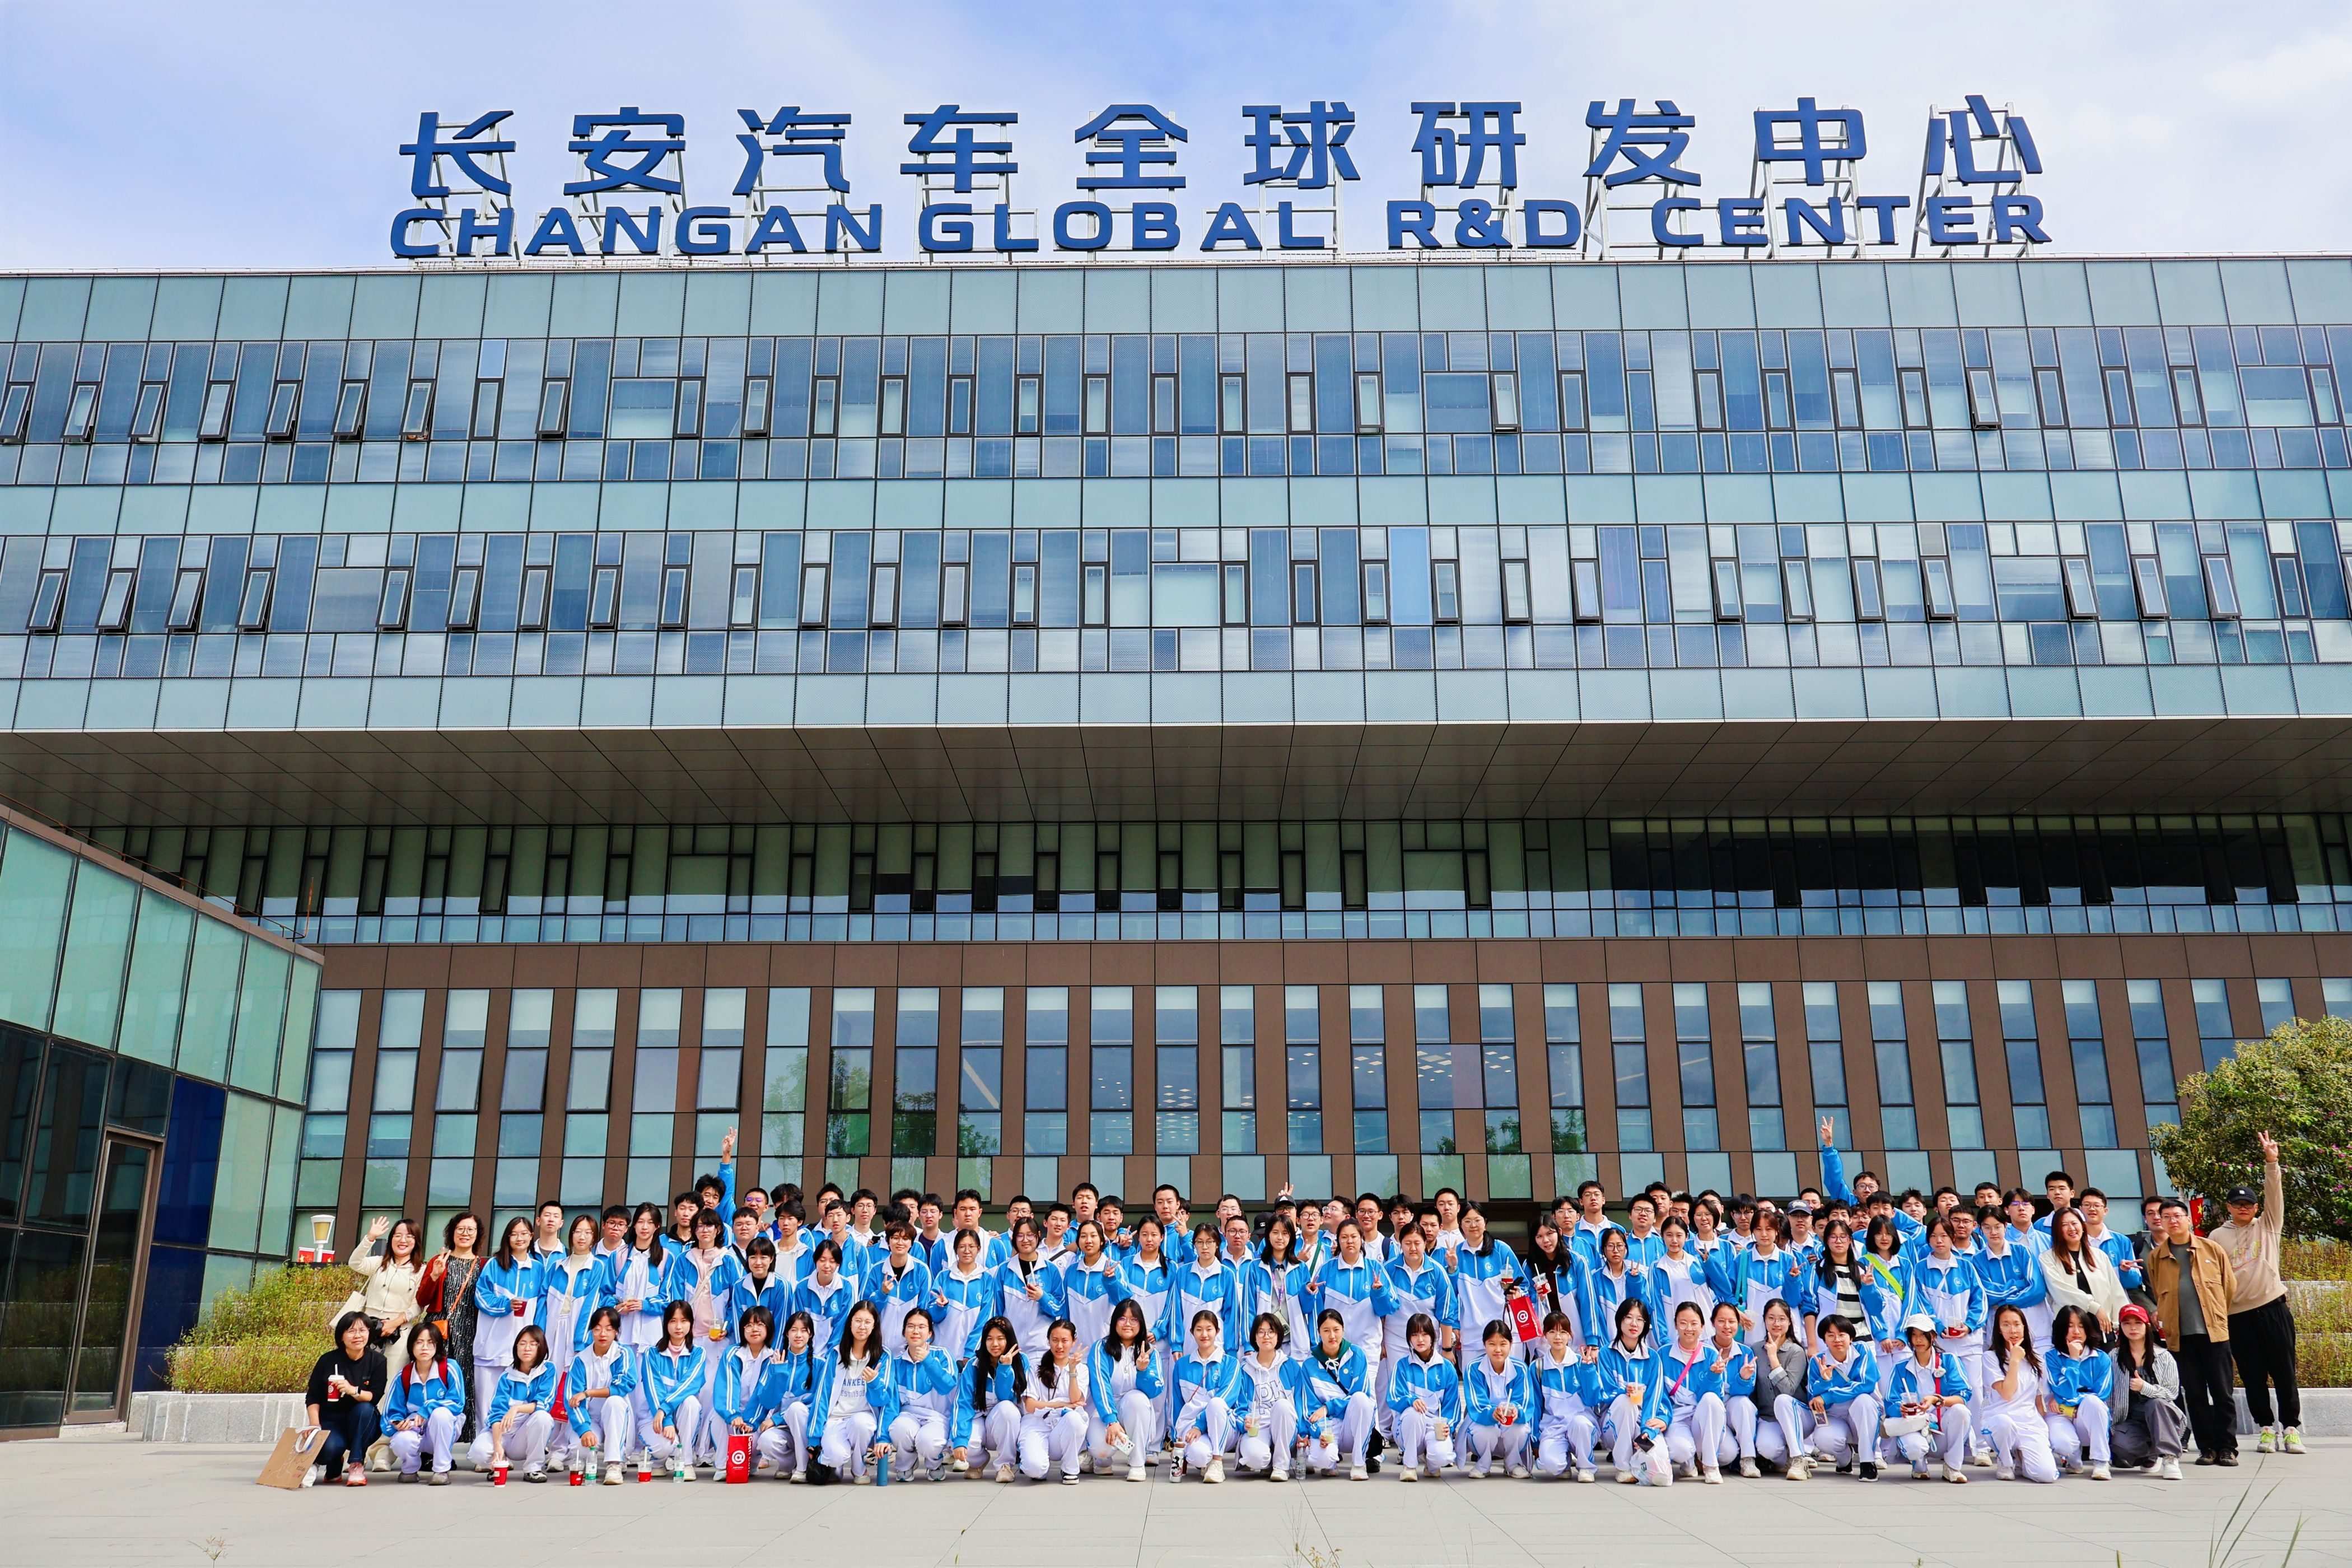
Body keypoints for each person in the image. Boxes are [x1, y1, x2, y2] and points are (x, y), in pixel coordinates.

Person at [2213, 1130, 2303, 1455]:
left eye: (2249, 1204)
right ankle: (2266, 1428)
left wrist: (2271, 1162)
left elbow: (2275, 1193)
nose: (2244, 1209)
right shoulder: (2216, 1237)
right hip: (2238, 1316)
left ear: (2256, 1207)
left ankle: (2291, 1429)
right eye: (2238, 1204)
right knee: (2252, 1376)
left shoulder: (2268, 1226)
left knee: (2285, 1372)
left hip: (2273, 1308)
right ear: (2229, 1207)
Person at [2147, 1195, 2238, 1466]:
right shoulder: (2156, 1257)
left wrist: (2217, 1316)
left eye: (2177, 1216)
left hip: (2214, 1334)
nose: (2172, 1221)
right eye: (2166, 1217)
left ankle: (2227, 1447)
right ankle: (2206, 1448)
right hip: (2180, 1338)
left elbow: (2229, 1287)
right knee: (2195, 1395)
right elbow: (2158, 1292)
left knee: (2222, 1393)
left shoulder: (2211, 1249)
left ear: (2188, 1219)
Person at [469, 1217, 542, 1436]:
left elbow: (543, 1306)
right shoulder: (494, 1265)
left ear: (531, 1236)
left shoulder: (538, 1269)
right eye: (514, 1234)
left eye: (524, 1234)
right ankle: (484, 1443)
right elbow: (481, 1297)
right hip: (491, 1345)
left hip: (520, 1349)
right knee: (486, 1400)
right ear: (507, 1237)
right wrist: (506, 1304)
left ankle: (507, 1443)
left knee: (515, 1399)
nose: (520, 1238)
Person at [411, 1212, 482, 1438]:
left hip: (469, 1330)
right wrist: (434, 1275)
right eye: (460, 1229)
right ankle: (426, 1432)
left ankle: (462, 1434)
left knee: (464, 1379)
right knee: (434, 1376)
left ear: (478, 1234)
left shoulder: (483, 1264)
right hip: (438, 1330)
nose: (465, 1234)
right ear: (452, 1232)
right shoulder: (439, 1260)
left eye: (470, 1230)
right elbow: (422, 1299)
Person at [810, 1299, 894, 1483]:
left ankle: (859, 1467)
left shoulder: (883, 1356)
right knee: (836, 1456)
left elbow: (885, 1400)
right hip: (836, 1419)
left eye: (867, 1322)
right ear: (850, 1323)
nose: (862, 1326)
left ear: (874, 1326)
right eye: (858, 1321)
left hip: (864, 1417)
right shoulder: (836, 1354)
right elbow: (823, 1395)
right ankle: (835, 1464)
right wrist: (814, 1437)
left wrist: (873, 1383)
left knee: (861, 1424)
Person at [1881, 1313, 1971, 1482]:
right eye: (1914, 1335)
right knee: (1914, 1448)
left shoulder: (1949, 1361)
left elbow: (1964, 1395)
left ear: (1934, 1336)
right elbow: (1890, 1402)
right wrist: (1901, 1408)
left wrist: (1937, 1400)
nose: (1918, 1340)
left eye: (1923, 1335)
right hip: (1914, 1428)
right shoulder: (1901, 1368)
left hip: (1943, 1430)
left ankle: (1952, 1467)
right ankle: (1919, 1465)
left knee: (1961, 1411)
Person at [305, 1311, 387, 1487]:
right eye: (351, 1331)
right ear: (341, 1336)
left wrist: (352, 1390)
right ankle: (335, 1462)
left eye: (363, 1330)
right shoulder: (328, 1360)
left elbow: (374, 1396)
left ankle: (356, 1463)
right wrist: (314, 1425)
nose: (358, 1336)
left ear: (369, 1333)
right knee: (329, 1449)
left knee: (365, 1408)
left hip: (363, 1422)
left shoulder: (378, 1361)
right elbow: (313, 1396)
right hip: (332, 1420)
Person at [1085, 1297, 1163, 1481]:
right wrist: (1111, 1420)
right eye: (1122, 1319)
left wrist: (1143, 1371)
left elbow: (1154, 1391)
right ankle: (1102, 1461)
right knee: (1101, 1448)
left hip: (1135, 1411)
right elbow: (1100, 1385)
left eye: (1134, 1319)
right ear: (1114, 1322)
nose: (1128, 1324)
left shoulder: (1150, 1351)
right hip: (1105, 1412)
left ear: (1141, 1324)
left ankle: (1137, 1464)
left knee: (1137, 1399)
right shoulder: (1101, 1348)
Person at [2108, 1303, 2187, 1481]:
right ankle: (2152, 1455)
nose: (2133, 1328)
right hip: (2131, 1421)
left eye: (2138, 1323)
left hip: (2163, 1417)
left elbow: (2171, 1393)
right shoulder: (2114, 1357)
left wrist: (2145, 1387)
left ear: (2147, 1326)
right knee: (2120, 1447)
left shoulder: (2164, 1356)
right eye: (2127, 1323)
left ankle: (2170, 1458)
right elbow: (2109, 1394)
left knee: (2156, 1404)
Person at [1296, 1308, 1377, 1480]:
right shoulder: (1309, 1364)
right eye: (1326, 1331)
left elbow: (1362, 1394)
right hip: (1327, 1427)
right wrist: (1317, 1433)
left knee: (1362, 1400)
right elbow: (1308, 1408)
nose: (1332, 1336)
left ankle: (1359, 1463)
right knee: (1322, 1460)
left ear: (1343, 1330)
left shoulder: (1357, 1355)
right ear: (1319, 1333)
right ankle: (1330, 1463)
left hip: (1350, 1424)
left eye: (1336, 1330)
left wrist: (1328, 1407)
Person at [470, 1324, 557, 1481]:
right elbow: (496, 1414)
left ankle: (533, 1468)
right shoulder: (506, 1377)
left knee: (543, 1418)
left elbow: (544, 1404)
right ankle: (500, 1463)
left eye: (533, 1344)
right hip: (504, 1434)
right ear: (516, 1347)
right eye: (522, 1344)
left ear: (541, 1347)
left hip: (523, 1438)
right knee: (477, 1453)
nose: (527, 1348)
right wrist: (498, 1446)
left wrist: (516, 1409)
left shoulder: (548, 1370)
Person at [1982, 1303, 2057, 1483]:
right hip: (2000, 1422)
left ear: (2024, 1327)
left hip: (2029, 1423)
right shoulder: (1990, 1358)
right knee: (2004, 1423)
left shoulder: (2036, 1359)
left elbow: (2038, 1398)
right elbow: (2007, 1393)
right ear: (1999, 1330)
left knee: (2046, 1475)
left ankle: (2022, 1458)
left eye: (2017, 1324)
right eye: (2006, 1325)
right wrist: (2014, 1361)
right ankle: (2005, 1460)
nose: (2013, 1330)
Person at [562, 1306, 637, 1485]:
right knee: (580, 1449)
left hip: (616, 1415)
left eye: (608, 1329)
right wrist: (585, 1430)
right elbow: (572, 1400)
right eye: (597, 1329)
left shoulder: (623, 1354)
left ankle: (614, 1464)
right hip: (590, 1418)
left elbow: (624, 1385)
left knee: (614, 1402)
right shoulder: (580, 1360)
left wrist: (588, 1393)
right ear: (591, 1331)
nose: (602, 1334)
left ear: (616, 1332)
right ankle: (592, 1458)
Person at [382, 1320, 464, 1483]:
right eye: (419, 1342)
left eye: (430, 1342)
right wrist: (397, 1424)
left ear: (437, 1346)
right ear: (411, 1346)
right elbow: (391, 1413)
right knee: (401, 1441)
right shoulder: (404, 1376)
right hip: (415, 1429)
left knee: (441, 1414)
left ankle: (441, 1470)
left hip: (444, 1428)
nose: (425, 1348)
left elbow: (457, 1402)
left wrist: (428, 1408)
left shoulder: (449, 1368)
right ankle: (410, 1469)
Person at [1597, 1299, 1668, 1485]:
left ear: (1645, 1324)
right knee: (1626, 1401)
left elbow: (1655, 1397)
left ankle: (1639, 1457)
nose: (1634, 1324)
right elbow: (1603, 1393)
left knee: (1659, 1458)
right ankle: (1623, 1468)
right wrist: (1623, 1391)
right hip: (1613, 1424)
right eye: (1629, 1318)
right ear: (1620, 1320)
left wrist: (1647, 1431)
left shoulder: (1653, 1358)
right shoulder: (1606, 1354)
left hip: (1641, 1423)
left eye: (1640, 1319)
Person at [883, 1305, 959, 1479]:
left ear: (930, 1333)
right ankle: (905, 1465)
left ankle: (935, 1465)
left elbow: (947, 1386)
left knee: (927, 1441)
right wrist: (883, 1437)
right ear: (904, 1332)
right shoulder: (896, 1362)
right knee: (899, 1429)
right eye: (911, 1326)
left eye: (921, 1327)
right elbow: (891, 1403)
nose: (916, 1331)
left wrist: (927, 1361)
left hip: (937, 1417)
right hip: (908, 1415)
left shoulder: (942, 1355)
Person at [1388, 1310, 1463, 1482]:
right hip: (1408, 1427)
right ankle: (1409, 1466)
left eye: (1424, 1334)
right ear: (1409, 1339)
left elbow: (1453, 1406)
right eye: (1414, 1335)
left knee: (1443, 1457)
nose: (1420, 1340)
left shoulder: (1446, 1368)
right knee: (1414, 1414)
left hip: (1435, 1427)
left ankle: (1432, 1464)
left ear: (1433, 1336)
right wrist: (1411, 1401)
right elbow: (1393, 1398)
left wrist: (1449, 1426)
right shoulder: (1402, 1365)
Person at [1803, 1315, 1881, 1481]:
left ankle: (1868, 1462)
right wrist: (1825, 1382)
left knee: (1864, 1400)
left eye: (1842, 1335)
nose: (1837, 1340)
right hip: (1835, 1416)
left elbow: (1866, 1384)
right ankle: (1845, 1458)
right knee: (1823, 1439)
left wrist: (1829, 1395)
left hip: (1862, 1415)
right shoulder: (1817, 1362)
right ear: (1824, 1340)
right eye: (1831, 1335)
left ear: (1851, 1337)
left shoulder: (1862, 1350)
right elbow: (1815, 1399)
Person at [1170, 1308, 1243, 1483]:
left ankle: (1217, 1462)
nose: (1204, 1334)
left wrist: (1200, 1425)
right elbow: (1178, 1404)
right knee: (1199, 1456)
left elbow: (1225, 1400)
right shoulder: (1182, 1365)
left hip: (1223, 1426)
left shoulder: (1231, 1364)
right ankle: (1206, 1460)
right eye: (1199, 1330)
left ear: (1217, 1331)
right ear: (1192, 1332)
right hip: (1191, 1426)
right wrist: (1176, 1435)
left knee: (1216, 1403)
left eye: (1209, 1329)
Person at [641, 1300, 711, 1478]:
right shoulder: (651, 1354)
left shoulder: (698, 1353)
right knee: (665, 1447)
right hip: (654, 1414)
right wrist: (666, 1420)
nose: (679, 1327)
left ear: (691, 1324)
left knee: (691, 1403)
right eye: (673, 1321)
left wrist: (665, 1410)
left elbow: (690, 1385)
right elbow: (653, 1389)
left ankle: (685, 1463)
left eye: (684, 1321)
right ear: (666, 1324)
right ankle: (658, 1461)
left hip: (675, 1412)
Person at [953, 1316, 1027, 1482]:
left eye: (1000, 1339)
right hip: (979, 1418)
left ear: (1009, 1339)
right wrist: (960, 1440)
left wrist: (1005, 1368)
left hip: (1005, 1422)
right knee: (968, 1446)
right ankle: (978, 1462)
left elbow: (1006, 1397)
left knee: (1007, 1409)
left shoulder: (1021, 1362)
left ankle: (1004, 1465)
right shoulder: (974, 1365)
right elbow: (962, 1403)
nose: (995, 1344)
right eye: (990, 1339)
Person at [2043, 1304, 2114, 1479]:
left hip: (2083, 1414)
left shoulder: (2102, 1358)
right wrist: (2074, 1359)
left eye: (2081, 1326)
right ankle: (2073, 1460)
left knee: (2094, 1403)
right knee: (2063, 1444)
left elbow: (2101, 1394)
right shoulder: (2051, 1357)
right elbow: (2064, 1391)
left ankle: (2101, 1462)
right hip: (2060, 1415)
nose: (2076, 1331)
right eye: (2070, 1326)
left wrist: (2068, 1404)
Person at [1463, 1318, 1538, 1478]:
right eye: (1492, 1344)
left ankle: (1513, 1464)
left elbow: (1525, 1403)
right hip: (1483, 1421)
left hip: (1509, 1424)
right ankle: (1483, 1464)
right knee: (1484, 1430)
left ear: (1511, 1344)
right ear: (1484, 1345)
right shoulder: (1473, 1368)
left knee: (1519, 1428)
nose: (1498, 1350)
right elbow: (1476, 1404)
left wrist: (1516, 1411)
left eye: (1503, 1344)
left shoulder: (1520, 1369)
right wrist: (1492, 1413)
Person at [1016, 1317, 1089, 1483]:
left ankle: (1070, 1469)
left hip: (1062, 1428)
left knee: (1074, 1418)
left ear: (1074, 1341)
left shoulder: (1082, 1369)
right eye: (1055, 1340)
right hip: (1037, 1425)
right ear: (1048, 1340)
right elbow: (1030, 1406)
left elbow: (1076, 1399)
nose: (1060, 1346)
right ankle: (1039, 1463)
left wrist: (1072, 1371)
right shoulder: (1036, 1367)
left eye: (1065, 1341)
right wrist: (1061, 1404)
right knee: (1035, 1469)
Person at [2040, 1208, 2127, 1345]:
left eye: (2075, 1223)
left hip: (2103, 1326)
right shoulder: (2048, 1258)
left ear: (2083, 1226)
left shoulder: (2099, 1256)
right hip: (2070, 1329)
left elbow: (2115, 1291)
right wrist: (2095, 1308)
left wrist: (2122, 1320)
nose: (2071, 1228)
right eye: (2064, 1225)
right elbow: (2060, 1292)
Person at [1530, 1310, 1599, 1482]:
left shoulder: (1581, 1362)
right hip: (1554, 1428)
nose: (1558, 1337)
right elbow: (1535, 1406)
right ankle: (1565, 1462)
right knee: (1551, 1465)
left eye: (1563, 1332)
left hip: (1581, 1425)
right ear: (1545, 1335)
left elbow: (1592, 1399)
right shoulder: (1538, 1367)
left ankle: (1586, 1466)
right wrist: (1535, 1440)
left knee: (1580, 1423)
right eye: (1552, 1331)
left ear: (1570, 1335)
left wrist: (1588, 1370)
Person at [537, 1213, 605, 1388]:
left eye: (588, 1233)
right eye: (578, 1232)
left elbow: (591, 1305)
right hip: (553, 1327)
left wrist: (581, 1339)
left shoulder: (597, 1266)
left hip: (576, 1328)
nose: (582, 1237)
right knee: (547, 1375)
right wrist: (539, 1332)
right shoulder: (557, 1266)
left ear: (594, 1238)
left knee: (573, 1381)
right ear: (571, 1234)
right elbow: (542, 1302)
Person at [711, 1304, 779, 1476]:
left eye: (760, 1324)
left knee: (757, 1441)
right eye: (749, 1325)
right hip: (733, 1414)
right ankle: (722, 1466)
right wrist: (733, 1414)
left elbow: (764, 1396)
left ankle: (751, 1462)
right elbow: (727, 1386)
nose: (754, 1329)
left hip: (757, 1418)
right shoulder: (732, 1353)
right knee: (718, 1417)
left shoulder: (773, 1358)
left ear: (769, 1328)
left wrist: (751, 1421)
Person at [1749, 1296, 1812, 1479]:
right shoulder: (1755, 1349)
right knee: (1767, 1448)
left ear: (1790, 1322)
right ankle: (1784, 1458)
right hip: (1769, 1418)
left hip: (1798, 1416)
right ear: (1764, 1320)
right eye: (1771, 1318)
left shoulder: (1796, 1352)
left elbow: (1788, 1390)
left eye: (1782, 1319)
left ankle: (1799, 1459)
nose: (1776, 1324)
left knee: (1783, 1400)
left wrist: (1773, 1358)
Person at [1233, 1312, 1298, 1481]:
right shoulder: (1244, 1369)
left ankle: (1281, 1466)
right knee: (1254, 1458)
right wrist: (1244, 1420)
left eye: (1271, 1332)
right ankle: (1269, 1458)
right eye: (1261, 1332)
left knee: (1282, 1406)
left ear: (1279, 1335)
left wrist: (1304, 1431)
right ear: (1255, 1337)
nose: (1266, 1336)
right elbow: (1238, 1406)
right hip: (1258, 1427)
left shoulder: (1291, 1366)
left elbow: (1300, 1403)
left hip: (1285, 1427)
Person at [348, 1215, 424, 1350]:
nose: (403, 1240)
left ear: (416, 1241)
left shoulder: (421, 1270)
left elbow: (418, 1304)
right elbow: (355, 1263)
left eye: (409, 1236)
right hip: (368, 1330)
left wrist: (394, 1323)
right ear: (391, 1239)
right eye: (398, 1236)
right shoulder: (379, 1262)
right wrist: (370, 1238)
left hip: (399, 1334)